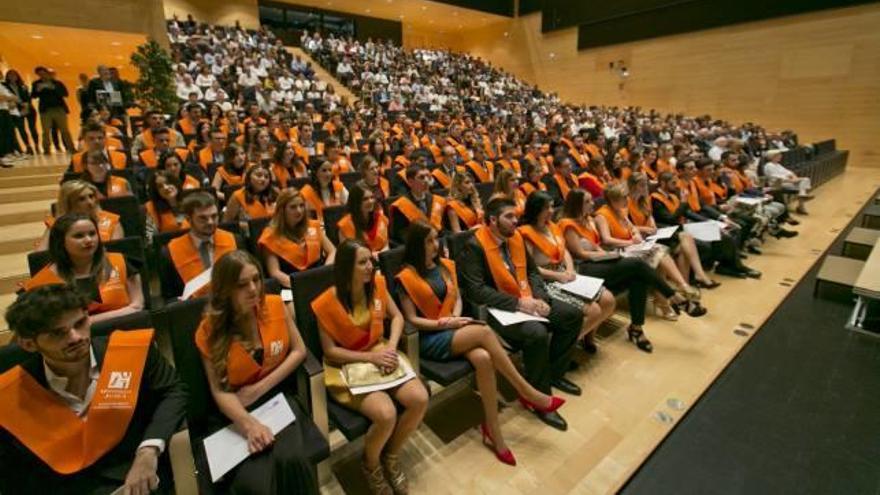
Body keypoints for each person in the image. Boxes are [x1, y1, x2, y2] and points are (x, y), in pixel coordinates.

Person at [397, 221, 564, 465]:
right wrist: (445, 323)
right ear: (417, 244)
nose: (436, 245)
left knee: (484, 358)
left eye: (437, 239)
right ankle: (526, 390)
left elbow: (456, 299)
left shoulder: (444, 266)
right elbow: (412, 320)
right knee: (485, 332)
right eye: (429, 241)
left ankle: (493, 432)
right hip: (431, 336)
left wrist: (454, 316)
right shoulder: (405, 276)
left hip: (456, 326)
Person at [0, 285, 186, 494]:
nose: (75, 337)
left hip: (141, 478)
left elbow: (173, 391)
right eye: (57, 333)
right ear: (28, 344)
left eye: (80, 323)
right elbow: (15, 477)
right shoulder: (11, 396)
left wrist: (148, 450)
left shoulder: (131, 352)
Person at [195, 251, 319, 494]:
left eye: (256, 279)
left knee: (292, 460)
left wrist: (260, 388)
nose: (253, 289)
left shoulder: (274, 304)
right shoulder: (208, 330)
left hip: (277, 400)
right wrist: (248, 425)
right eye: (242, 284)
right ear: (224, 290)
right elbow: (219, 391)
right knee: (256, 484)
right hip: (235, 411)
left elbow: (299, 351)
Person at [313, 239, 428, 495]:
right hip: (346, 363)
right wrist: (371, 359)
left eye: (371, 261)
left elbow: (397, 316)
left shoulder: (377, 284)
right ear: (345, 267)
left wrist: (391, 346)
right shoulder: (326, 302)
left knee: (420, 398)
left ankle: (391, 455)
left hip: (380, 351)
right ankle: (371, 465)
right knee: (386, 414)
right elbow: (330, 350)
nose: (370, 267)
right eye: (362, 262)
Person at [459, 197, 582, 431]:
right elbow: (476, 291)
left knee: (571, 315)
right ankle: (539, 398)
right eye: (509, 217)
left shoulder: (515, 237)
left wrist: (541, 299)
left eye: (516, 216)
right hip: (498, 310)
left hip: (529, 299)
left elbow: (534, 273)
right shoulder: (474, 245)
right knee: (536, 333)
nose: (516, 221)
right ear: (493, 220)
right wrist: (518, 304)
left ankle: (554, 373)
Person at [560, 188, 685, 353]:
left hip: (599, 263)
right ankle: (674, 296)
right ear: (577, 205)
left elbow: (597, 245)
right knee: (637, 265)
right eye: (588, 202)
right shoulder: (567, 223)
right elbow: (579, 253)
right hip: (583, 268)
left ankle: (636, 328)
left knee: (637, 277)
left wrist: (606, 255)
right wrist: (606, 255)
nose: (593, 204)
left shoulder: (588, 220)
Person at [518, 192, 617, 350]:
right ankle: (563, 348)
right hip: (545, 280)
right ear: (535, 209)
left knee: (608, 300)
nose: (551, 211)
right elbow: (530, 268)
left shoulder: (553, 226)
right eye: (547, 208)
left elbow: (564, 252)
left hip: (565, 274)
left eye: (551, 206)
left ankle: (586, 338)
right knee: (593, 311)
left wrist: (570, 270)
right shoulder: (525, 233)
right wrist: (558, 275)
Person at [594, 184, 705, 318]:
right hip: (617, 251)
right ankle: (680, 289)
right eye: (623, 198)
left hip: (632, 247)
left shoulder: (620, 211)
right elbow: (606, 240)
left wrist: (636, 234)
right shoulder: (602, 215)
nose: (626, 201)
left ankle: (669, 298)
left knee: (660, 255)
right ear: (613, 200)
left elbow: (632, 228)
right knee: (658, 251)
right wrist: (630, 242)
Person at [23, 213, 145, 322]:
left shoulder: (120, 261)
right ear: (60, 242)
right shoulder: (44, 282)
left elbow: (137, 306)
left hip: (127, 331)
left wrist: (87, 321)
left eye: (92, 234)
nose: (88, 240)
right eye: (78, 236)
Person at [627, 172, 720, 289]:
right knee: (684, 238)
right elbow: (627, 225)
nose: (646, 188)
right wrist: (645, 228)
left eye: (646, 185)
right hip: (639, 237)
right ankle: (696, 277)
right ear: (633, 186)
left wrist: (653, 226)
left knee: (683, 245)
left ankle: (686, 285)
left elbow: (650, 217)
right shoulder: (627, 202)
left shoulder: (643, 200)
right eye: (642, 185)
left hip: (652, 234)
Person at [160, 192, 240, 299]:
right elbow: (169, 297)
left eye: (214, 216)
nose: (210, 222)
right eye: (203, 218)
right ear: (188, 219)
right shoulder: (169, 252)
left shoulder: (235, 240)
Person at [258, 188, 335, 289]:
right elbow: (275, 272)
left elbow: (332, 251)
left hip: (320, 280)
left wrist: (324, 272)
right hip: (291, 286)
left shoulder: (312, 225)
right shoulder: (269, 236)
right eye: (293, 207)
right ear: (282, 210)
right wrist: (301, 286)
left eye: (301, 206)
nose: (299, 211)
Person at [37, 180, 124, 250]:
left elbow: (118, 253)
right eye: (81, 199)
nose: (90, 202)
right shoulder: (56, 225)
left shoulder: (112, 221)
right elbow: (40, 255)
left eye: (91, 196)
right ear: (68, 203)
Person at [390, 164, 447, 244]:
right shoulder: (401, 205)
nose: (426, 180)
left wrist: (444, 245)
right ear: (410, 182)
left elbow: (442, 230)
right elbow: (402, 235)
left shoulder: (436, 200)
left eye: (427, 176)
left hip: (438, 243)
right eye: (421, 177)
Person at [31, 66, 75, 153]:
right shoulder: (36, 84)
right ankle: (46, 149)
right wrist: (38, 90)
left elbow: (65, 94)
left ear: (47, 73)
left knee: (65, 130)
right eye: (40, 74)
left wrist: (54, 88)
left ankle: (71, 148)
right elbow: (33, 96)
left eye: (43, 73)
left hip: (59, 108)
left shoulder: (57, 83)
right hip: (45, 110)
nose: (42, 75)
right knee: (46, 131)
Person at [338, 183, 389, 255]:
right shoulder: (345, 225)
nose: (370, 201)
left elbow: (386, 245)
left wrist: (380, 254)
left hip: (382, 259)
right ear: (356, 202)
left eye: (372, 197)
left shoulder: (381, 218)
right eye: (365, 199)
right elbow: (346, 255)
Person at [762, 149, 813, 215]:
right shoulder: (768, 166)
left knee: (805, 180)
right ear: (773, 156)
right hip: (777, 184)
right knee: (802, 185)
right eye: (778, 155)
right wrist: (792, 180)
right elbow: (776, 178)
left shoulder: (778, 165)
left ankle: (802, 196)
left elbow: (789, 172)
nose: (781, 156)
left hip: (787, 183)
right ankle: (801, 205)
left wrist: (795, 178)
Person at [3, 69, 38, 154]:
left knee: (32, 128)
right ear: (7, 77)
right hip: (17, 110)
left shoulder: (23, 86)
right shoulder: (4, 86)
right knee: (21, 129)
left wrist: (26, 106)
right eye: (10, 75)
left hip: (29, 109)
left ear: (17, 76)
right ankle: (28, 146)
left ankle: (37, 145)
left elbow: (28, 98)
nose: (12, 77)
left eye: (14, 75)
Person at [146, 170, 190, 235]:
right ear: (156, 192)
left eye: (168, 183)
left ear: (175, 183)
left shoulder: (190, 201)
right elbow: (150, 238)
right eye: (160, 186)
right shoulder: (151, 208)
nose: (166, 187)